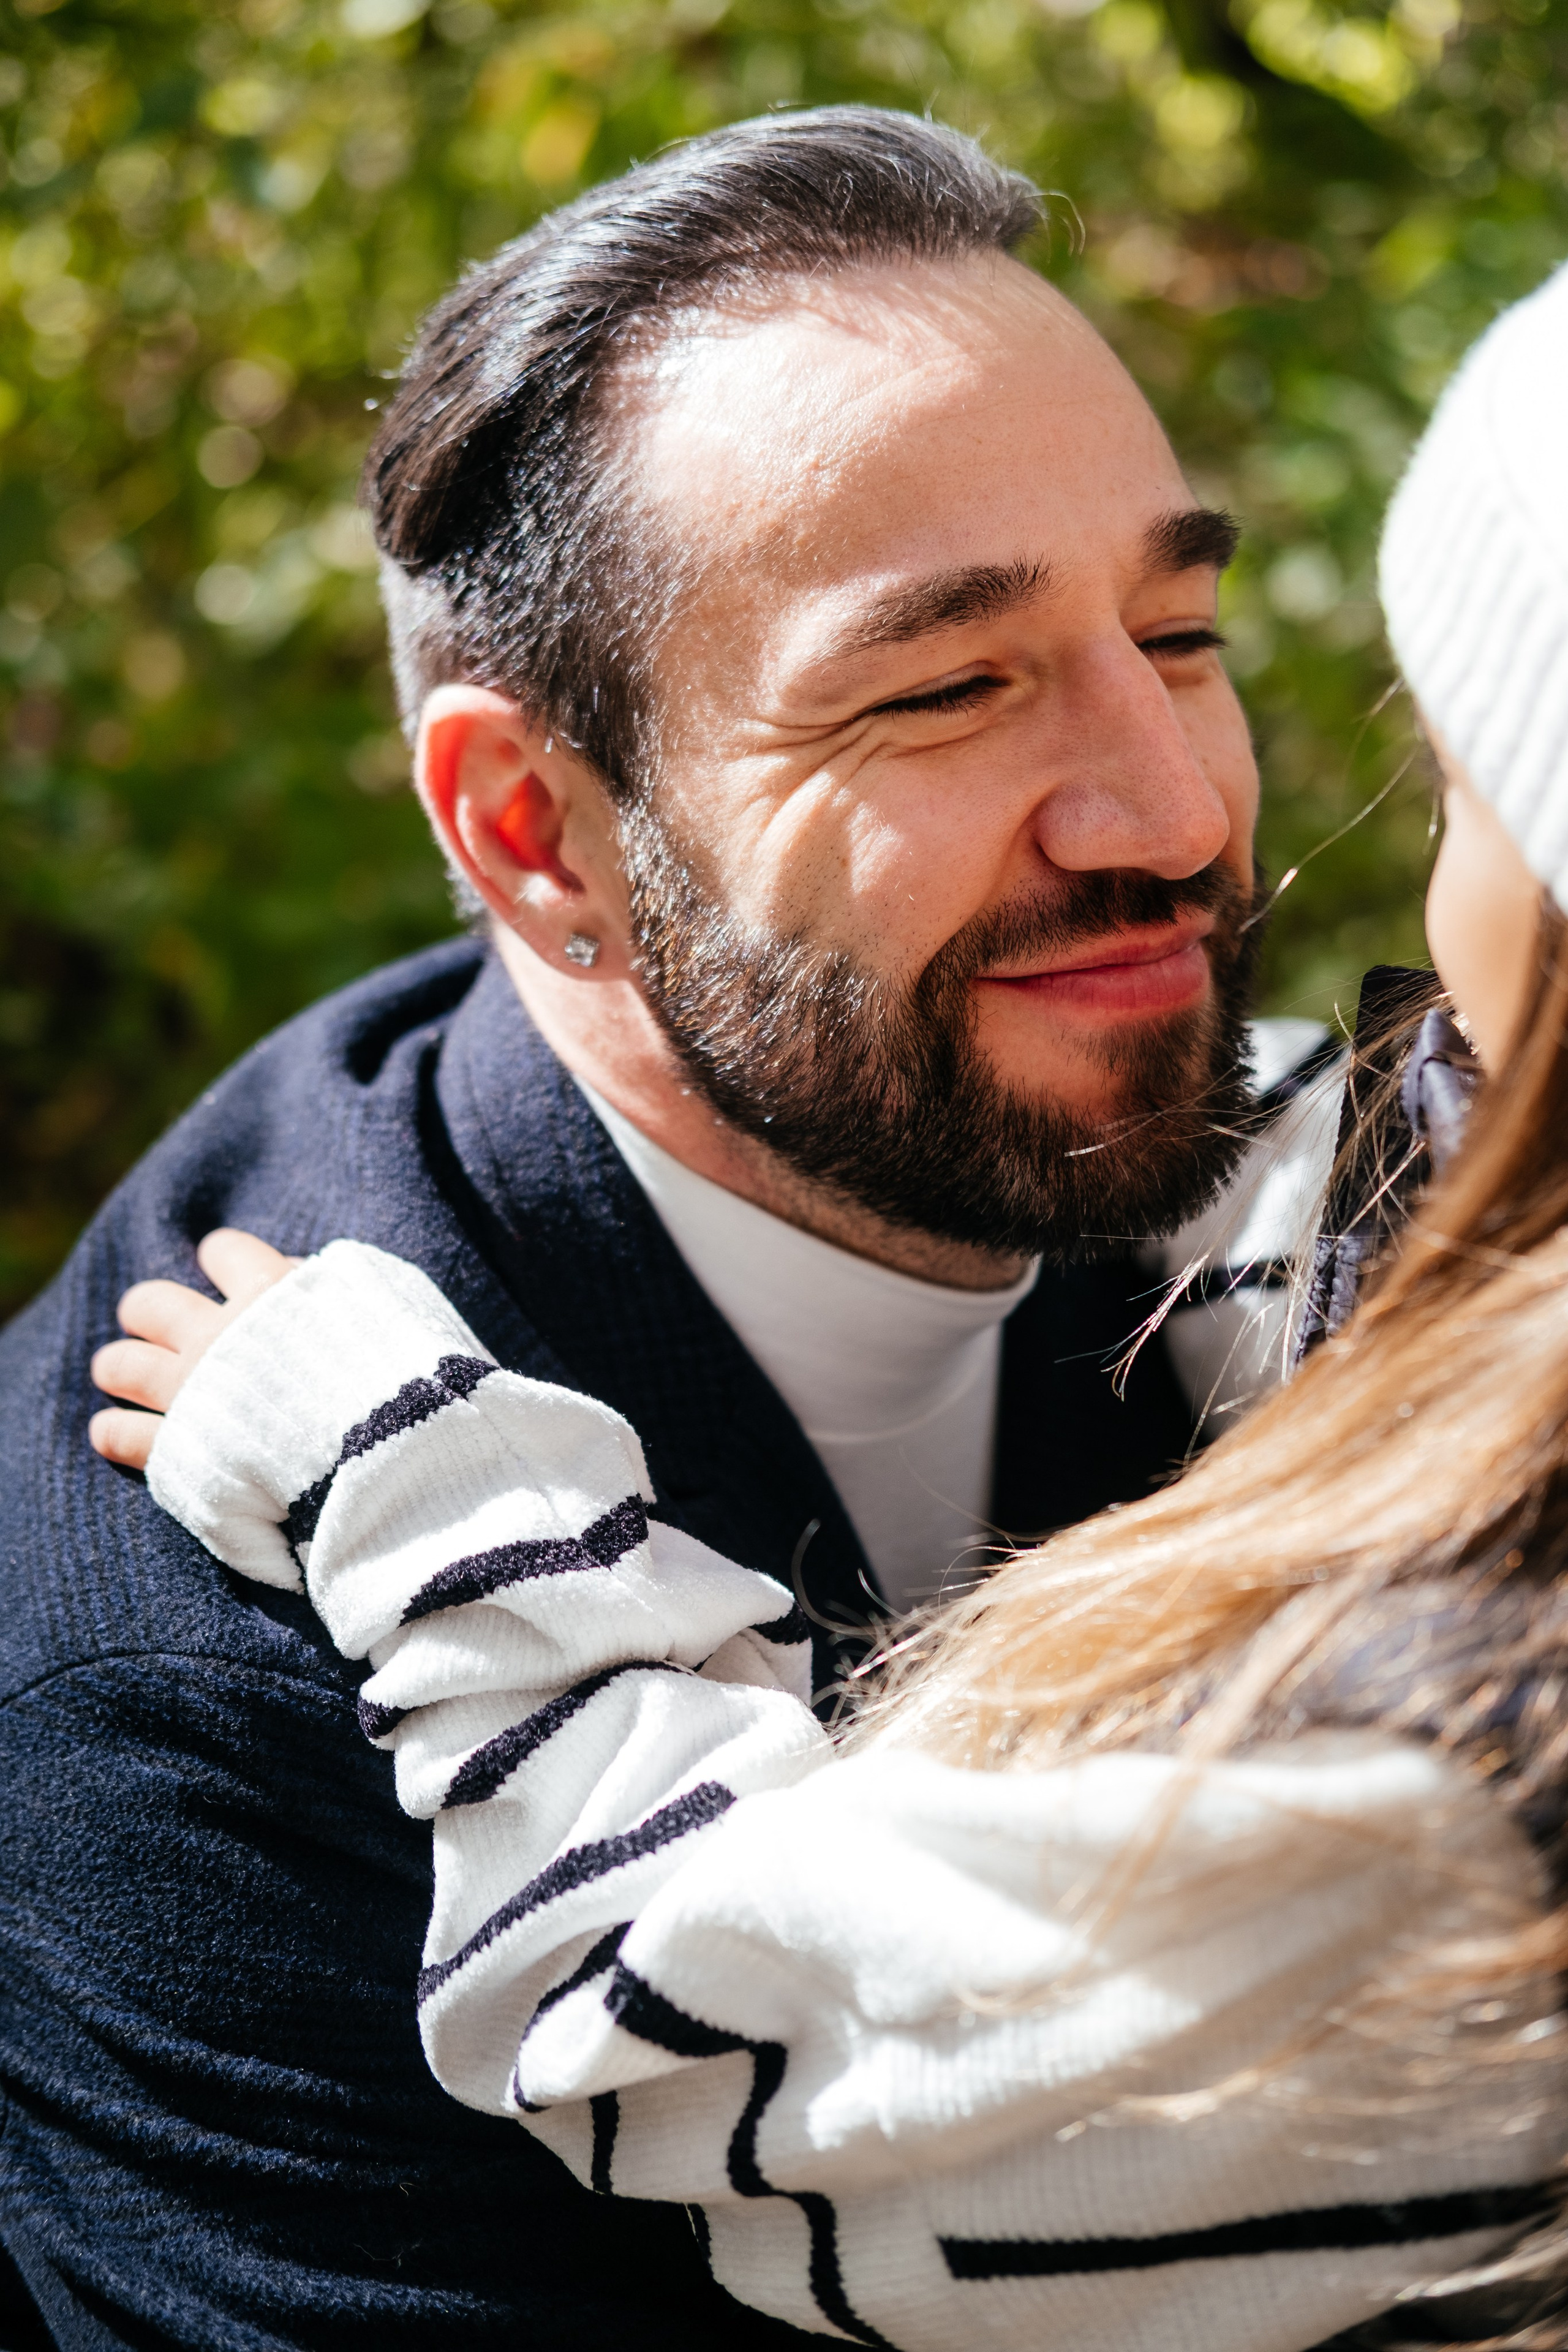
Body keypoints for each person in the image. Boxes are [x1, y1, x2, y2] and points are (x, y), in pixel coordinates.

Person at [77, 263, 1568, 2350]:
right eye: (947, 688)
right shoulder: (167, 1690)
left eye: (1178, 638)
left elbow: (735, 2018)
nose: (1185, 818)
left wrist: (447, 1517)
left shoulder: (1483, 1758)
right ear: (537, 830)